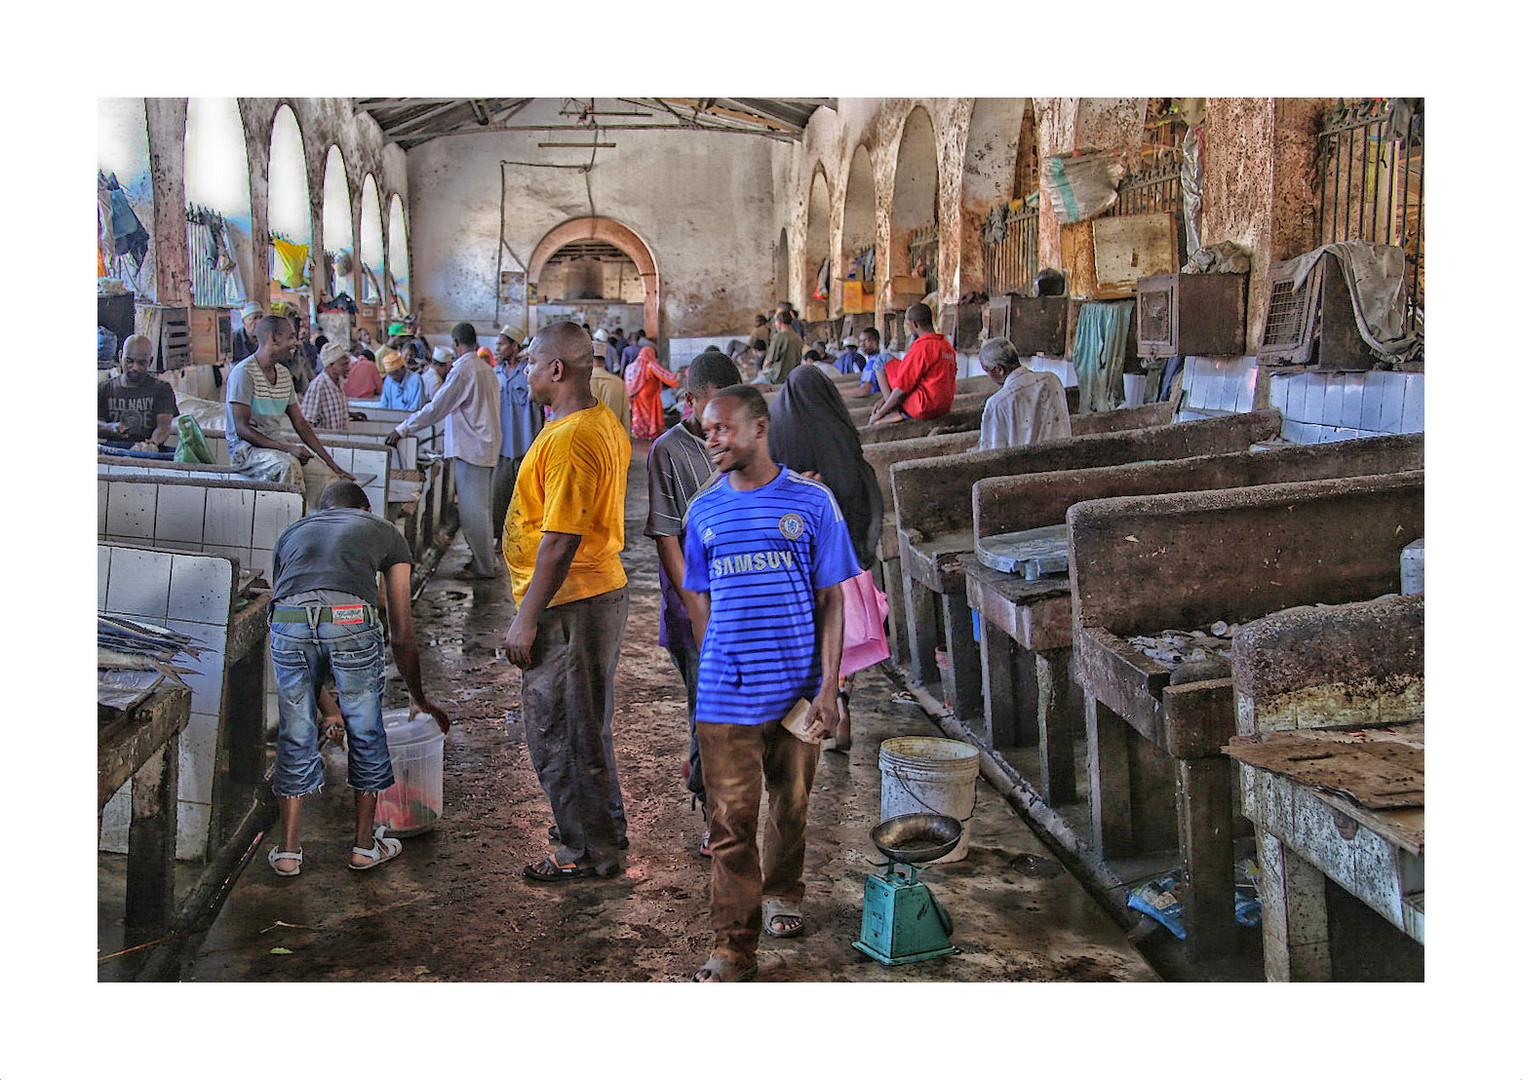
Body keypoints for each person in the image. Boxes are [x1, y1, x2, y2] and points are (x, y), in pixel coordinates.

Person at [682, 384, 856, 982]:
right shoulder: (703, 512)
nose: (712, 440)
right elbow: (699, 599)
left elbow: (833, 599)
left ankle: (784, 891)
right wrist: (717, 660)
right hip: (726, 696)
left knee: (792, 804)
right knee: (729, 823)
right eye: (706, 430)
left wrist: (831, 688)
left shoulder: (811, 502)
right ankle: (733, 947)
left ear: (759, 428)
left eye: (722, 428)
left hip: (799, 691)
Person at [264, 480, 450, 877]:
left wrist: (327, 711)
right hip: (350, 619)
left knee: (295, 734)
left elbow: (300, 615)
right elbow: (401, 632)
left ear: (320, 512)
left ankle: (288, 852)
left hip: (288, 622)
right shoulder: (385, 532)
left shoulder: (293, 533)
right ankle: (364, 847)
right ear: (365, 511)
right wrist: (420, 697)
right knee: (365, 731)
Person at [503, 322, 632, 882]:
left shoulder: (573, 439)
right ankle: (603, 828)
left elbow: (560, 539)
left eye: (532, 362)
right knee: (585, 723)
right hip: (590, 593)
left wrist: (527, 618)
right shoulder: (596, 421)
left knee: (560, 728)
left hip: (571, 600)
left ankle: (584, 850)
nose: (525, 371)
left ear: (557, 369)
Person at [644, 350, 743, 857]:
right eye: (711, 409)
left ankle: (729, 808)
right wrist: (702, 611)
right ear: (689, 402)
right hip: (693, 608)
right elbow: (666, 539)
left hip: (745, 601)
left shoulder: (745, 439)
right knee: (708, 711)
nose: (721, 423)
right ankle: (715, 818)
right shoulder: (669, 451)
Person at [768, 364, 883, 753]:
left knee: (813, 642)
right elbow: (868, 508)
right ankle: (841, 704)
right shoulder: (845, 446)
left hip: (802, 574)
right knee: (840, 640)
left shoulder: (783, 449)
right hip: (847, 570)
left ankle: (808, 715)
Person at [387, 322, 503, 580]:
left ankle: (484, 567)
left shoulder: (463, 370)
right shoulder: (486, 369)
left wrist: (403, 429)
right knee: (481, 510)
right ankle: (485, 562)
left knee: (473, 512)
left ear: (456, 343)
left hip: (472, 450)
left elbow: (436, 408)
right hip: (486, 447)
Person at [224, 314, 354, 506]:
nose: (296, 342)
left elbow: (301, 424)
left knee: (327, 478)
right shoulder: (243, 373)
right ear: (273, 339)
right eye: (291, 337)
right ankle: (289, 527)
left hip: (276, 448)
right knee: (289, 466)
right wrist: (288, 449)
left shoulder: (284, 375)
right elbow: (242, 429)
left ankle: (316, 529)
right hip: (246, 452)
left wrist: (333, 465)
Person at [490, 323, 545, 544]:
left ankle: (526, 539)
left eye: (501, 344)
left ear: (514, 346)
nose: (497, 348)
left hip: (526, 445)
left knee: (527, 498)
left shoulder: (530, 372)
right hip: (501, 447)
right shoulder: (495, 374)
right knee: (499, 496)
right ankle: (498, 539)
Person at [976, 336, 1072, 449]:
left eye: (987, 371)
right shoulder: (1052, 380)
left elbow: (992, 452)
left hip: (1024, 465)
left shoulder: (997, 403)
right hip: (1061, 459)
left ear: (999, 370)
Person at [870, 302, 955, 424]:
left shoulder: (922, 347)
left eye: (908, 325)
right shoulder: (946, 345)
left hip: (923, 407)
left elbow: (901, 390)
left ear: (914, 324)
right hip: (944, 406)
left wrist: (880, 413)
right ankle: (889, 401)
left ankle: (894, 411)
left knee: (882, 360)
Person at [98, 334, 178, 451]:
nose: (134, 367)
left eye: (141, 363)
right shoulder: (104, 388)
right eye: (129, 361)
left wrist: (152, 444)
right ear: (120, 357)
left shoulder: (162, 389)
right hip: (114, 451)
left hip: (148, 453)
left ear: (150, 361)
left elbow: (164, 426)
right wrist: (111, 428)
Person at [624, 342, 679, 440]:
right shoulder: (650, 365)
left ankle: (640, 432)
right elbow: (664, 375)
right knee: (650, 415)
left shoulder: (633, 366)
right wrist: (676, 379)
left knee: (640, 414)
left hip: (638, 395)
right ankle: (651, 432)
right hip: (649, 395)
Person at [299, 342, 354, 431]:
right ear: (330, 365)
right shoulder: (318, 386)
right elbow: (307, 422)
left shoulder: (338, 384)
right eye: (344, 364)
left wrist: (351, 414)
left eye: (348, 364)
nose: (348, 368)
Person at [589, 338, 632, 438]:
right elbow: (625, 419)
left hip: (588, 442)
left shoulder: (581, 382)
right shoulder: (618, 383)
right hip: (612, 440)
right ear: (604, 360)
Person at [756, 309, 803, 386]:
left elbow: (768, 362)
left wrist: (761, 372)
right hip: (793, 377)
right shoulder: (798, 338)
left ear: (779, 322)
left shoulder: (779, 337)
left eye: (775, 322)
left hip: (777, 377)